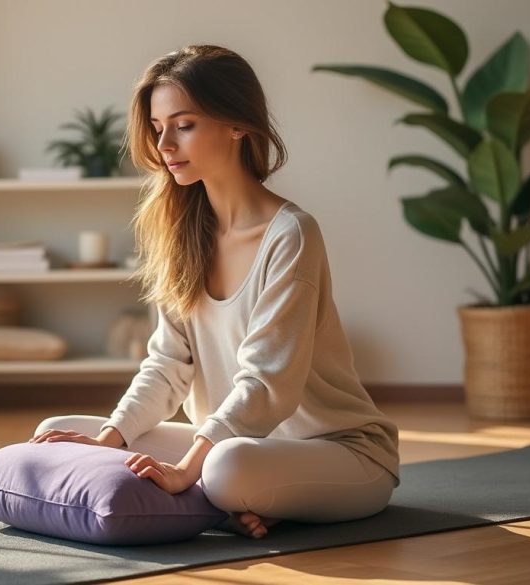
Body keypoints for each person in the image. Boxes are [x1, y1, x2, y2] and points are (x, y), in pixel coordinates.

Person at [31, 44, 399, 539]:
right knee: (58, 430)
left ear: (237, 125)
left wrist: (187, 468)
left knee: (225, 468)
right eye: (159, 129)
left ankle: (224, 493)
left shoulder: (291, 233)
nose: (165, 146)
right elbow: (166, 366)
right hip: (241, 447)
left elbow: (267, 385)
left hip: (341, 453)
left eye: (184, 125)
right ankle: (240, 503)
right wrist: (108, 438)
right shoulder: (181, 231)